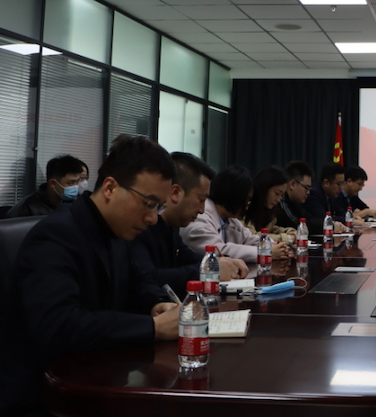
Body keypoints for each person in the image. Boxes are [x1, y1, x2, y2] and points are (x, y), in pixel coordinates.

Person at [0, 135, 180, 414]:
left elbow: (137, 279)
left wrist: (157, 303)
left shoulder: (116, 229)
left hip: (99, 379)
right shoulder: (56, 235)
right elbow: (59, 325)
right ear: (110, 188)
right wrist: (153, 327)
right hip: (47, 397)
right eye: (148, 203)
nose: (153, 218)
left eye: (159, 207)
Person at [131, 152, 248, 297]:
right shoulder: (140, 227)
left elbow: (189, 257)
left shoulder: (172, 228)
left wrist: (224, 263)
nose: (202, 210)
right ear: (175, 193)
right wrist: (211, 269)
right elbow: (149, 278)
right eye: (200, 200)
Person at [180, 164, 292, 263]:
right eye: (246, 200)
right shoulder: (199, 217)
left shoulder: (230, 220)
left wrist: (276, 246)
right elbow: (220, 250)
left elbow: (250, 239)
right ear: (233, 194)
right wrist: (266, 252)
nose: (247, 206)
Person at [6, 154, 85, 219]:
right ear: (53, 184)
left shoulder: (73, 203)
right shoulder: (27, 209)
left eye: (77, 181)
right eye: (71, 183)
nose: (76, 186)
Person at [243, 166, 296, 247]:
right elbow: (253, 237)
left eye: (282, 195)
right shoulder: (245, 207)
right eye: (277, 193)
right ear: (264, 189)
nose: (279, 200)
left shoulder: (268, 212)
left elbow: (271, 229)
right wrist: (287, 238)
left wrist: (290, 231)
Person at [305, 162, 349, 235]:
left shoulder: (332, 194)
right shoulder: (314, 194)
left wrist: (352, 218)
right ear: (326, 183)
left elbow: (340, 214)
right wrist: (349, 220)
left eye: (343, 184)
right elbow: (324, 219)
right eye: (338, 184)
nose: (341, 188)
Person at [274, 160, 314, 229]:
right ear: (292, 184)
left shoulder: (296, 201)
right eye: (306, 187)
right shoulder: (281, 200)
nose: (308, 192)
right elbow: (296, 224)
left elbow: (308, 219)